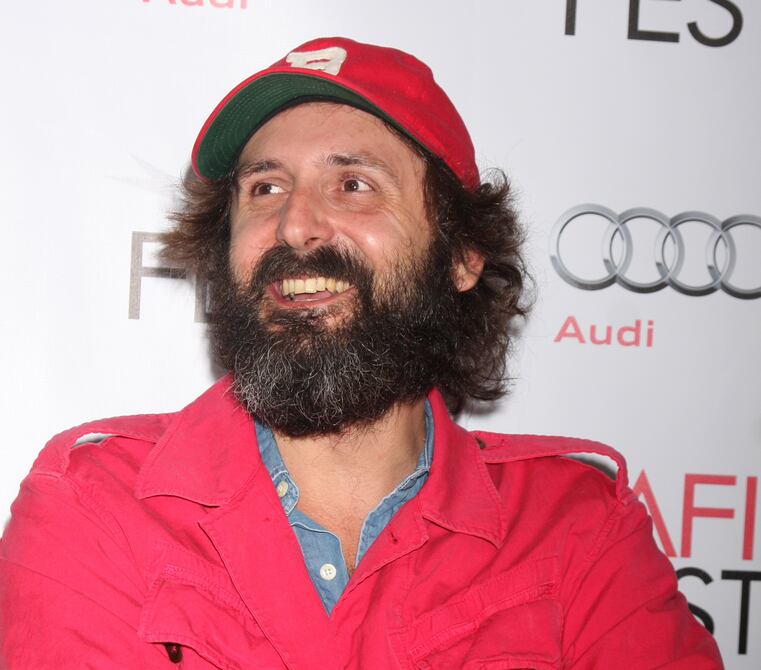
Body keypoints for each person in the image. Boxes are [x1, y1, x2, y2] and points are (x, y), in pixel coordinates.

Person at [0, 36, 723, 669]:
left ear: (461, 255)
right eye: (264, 188)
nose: (295, 225)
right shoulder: (96, 501)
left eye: (353, 185)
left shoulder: (577, 523)